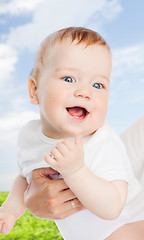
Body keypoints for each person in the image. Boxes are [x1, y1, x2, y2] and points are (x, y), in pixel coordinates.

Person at [0, 27, 144, 239]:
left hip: (127, 228)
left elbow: (113, 206)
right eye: (69, 79)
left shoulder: (101, 141)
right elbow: (25, 178)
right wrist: (11, 209)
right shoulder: (29, 135)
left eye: (98, 84)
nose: (85, 92)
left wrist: (75, 171)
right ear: (34, 90)